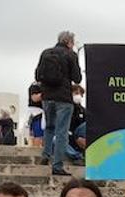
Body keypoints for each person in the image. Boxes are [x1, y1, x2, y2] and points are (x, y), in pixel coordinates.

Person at [36, 31, 83, 176]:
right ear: (69, 42)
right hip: (63, 98)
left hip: (47, 97)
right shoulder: (70, 55)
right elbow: (77, 78)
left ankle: (45, 156)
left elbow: (38, 75)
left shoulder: (46, 52)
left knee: (49, 127)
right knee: (61, 131)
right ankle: (57, 165)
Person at [27, 81, 45, 147]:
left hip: (44, 112)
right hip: (37, 113)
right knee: (38, 135)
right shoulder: (36, 85)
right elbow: (34, 98)